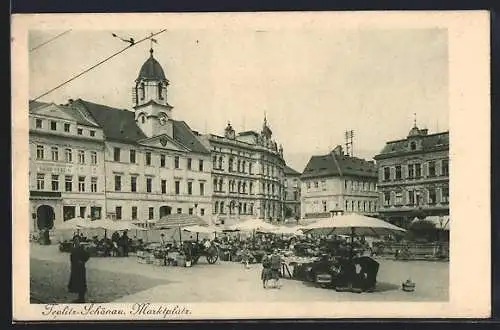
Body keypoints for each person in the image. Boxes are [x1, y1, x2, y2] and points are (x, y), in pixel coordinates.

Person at [68, 236, 90, 303]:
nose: (76, 242)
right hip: (75, 268)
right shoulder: (74, 248)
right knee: (77, 283)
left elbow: (87, 255)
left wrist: (82, 261)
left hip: (81, 269)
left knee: (81, 283)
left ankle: (82, 299)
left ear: (79, 241)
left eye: (77, 240)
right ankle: (80, 298)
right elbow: (72, 258)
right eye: (74, 240)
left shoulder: (81, 248)